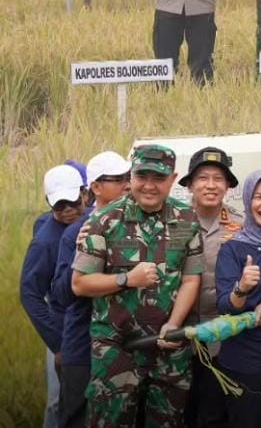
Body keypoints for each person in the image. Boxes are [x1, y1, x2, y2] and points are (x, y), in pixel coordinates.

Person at [72, 145, 203, 428]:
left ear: (173, 178)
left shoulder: (187, 221)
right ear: (131, 176)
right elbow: (80, 283)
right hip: (117, 347)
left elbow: (191, 279)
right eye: (142, 176)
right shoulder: (104, 220)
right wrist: (126, 279)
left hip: (168, 345)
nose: (149, 185)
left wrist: (175, 323)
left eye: (158, 177)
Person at [51, 152, 131, 428]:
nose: (127, 185)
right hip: (83, 347)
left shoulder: (138, 228)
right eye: (118, 179)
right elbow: (61, 295)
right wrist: (79, 254)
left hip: (125, 346)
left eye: (128, 178)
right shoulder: (76, 232)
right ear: (96, 187)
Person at [215, 170, 261, 428]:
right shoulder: (233, 248)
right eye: (258, 197)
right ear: (248, 202)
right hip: (245, 362)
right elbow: (225, 306)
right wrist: (242, 288)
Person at [177, 147, 242, 428]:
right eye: (203, 178)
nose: (211, 185)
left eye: (219, 178)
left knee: (213, 413)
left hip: (222, 337)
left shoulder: (241, 225)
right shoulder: (173, 223)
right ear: (190, 184)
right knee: (178, 411)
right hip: (177, 335)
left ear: (228, 185)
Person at [21, 164, 87, 428]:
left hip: (93, 328)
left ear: (84, 193)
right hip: (62, 330)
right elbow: (30, 294)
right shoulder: (45, 242)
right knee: (60, 401)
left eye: (71, 201)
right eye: (58, 206)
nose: (67, 210)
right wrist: (57, 343)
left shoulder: (96, 220)